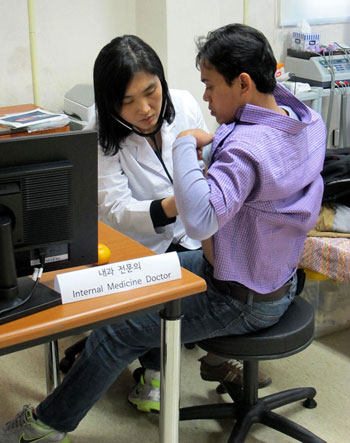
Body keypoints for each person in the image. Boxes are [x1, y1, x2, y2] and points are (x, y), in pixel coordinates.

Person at [0, 24, 326, 443]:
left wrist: (186, 148)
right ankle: (158, 363)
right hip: (258, 270)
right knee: (120, 295)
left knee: (118, 327)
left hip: (239, 287)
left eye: (152, 91)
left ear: (243, 83)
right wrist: (188, 187)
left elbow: (202, 218)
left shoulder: (241, 142)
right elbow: (117, 209)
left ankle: (46, 426)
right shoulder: (303, 119)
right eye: (129, 100)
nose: (147, 108)